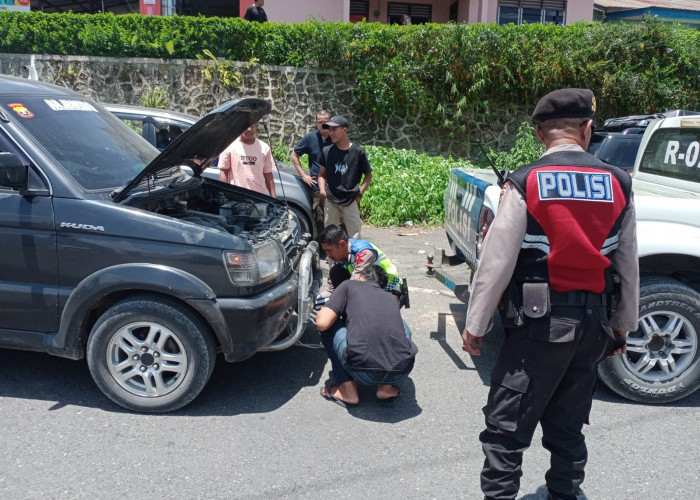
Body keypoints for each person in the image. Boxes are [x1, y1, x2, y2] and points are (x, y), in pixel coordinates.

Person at [461, 88, 639, 500]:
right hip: (592, 328)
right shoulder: (620, 182)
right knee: (568, 426)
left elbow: (496, 261)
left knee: (506, 431)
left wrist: (476, 323)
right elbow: (627, 262)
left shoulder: (527, 181)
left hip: (538, 328)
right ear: (587, 128)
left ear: (540, 133)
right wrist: (623, 325)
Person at [316, 264, 417, 407]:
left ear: (360, 277)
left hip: (361, 369)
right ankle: (386, 388)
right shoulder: (391, 297)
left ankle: (347, 390)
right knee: (401, 324)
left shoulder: (349, 285)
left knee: (329, 325)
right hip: (400, 370)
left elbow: (322, 322)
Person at [318, 115, 372, 240]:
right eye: (329, 130)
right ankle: (332, 260)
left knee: (355, 236)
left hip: (350, 200)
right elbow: (321, 174)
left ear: (344, 130)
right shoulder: (327, 151)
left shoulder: (358, 152)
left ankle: (354, 259)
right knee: (330, 236)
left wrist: (360, 194)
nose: (331, 133)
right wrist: (322, 190)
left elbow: (368, 175)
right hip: (331, 200)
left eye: (334, 129)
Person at [320, 224, 402, 294]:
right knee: (336, 271)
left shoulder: (364, 253)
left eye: (329, 250)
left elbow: (354, 283)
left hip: (389, 289)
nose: (327, 255)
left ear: (341, 244)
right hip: (370, 286)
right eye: (325, 251)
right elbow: (332, 288)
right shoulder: (341, 253)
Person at [290, 109, 332, 238]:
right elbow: (294, 155)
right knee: (319, 216)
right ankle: (322, 246)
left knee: (337, 217)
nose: (322, 125)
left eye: (325, 122)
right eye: (320, 122)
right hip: (317, 186)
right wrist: (304, 175)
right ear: (316, 123)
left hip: (335, 185)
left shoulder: (336, 137)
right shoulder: (310, 138)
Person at [219, 122, 276, 197]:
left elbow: (268, 174)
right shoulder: (229, 145)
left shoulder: (265, 148)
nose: (248, 129)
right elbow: (224, 172)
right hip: (235, 196)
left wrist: (273, 197)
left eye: (252, 126)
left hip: (258, 198)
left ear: (257, 126)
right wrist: (221, 194)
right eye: (245, 126)